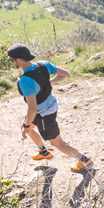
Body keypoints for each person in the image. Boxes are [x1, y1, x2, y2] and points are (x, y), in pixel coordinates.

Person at [8, 43, 93, 173]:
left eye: (11, 60)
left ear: (19, 60)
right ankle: (43, 151)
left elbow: (32, 108)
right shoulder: (43, 64)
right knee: (29, 129)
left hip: (44, 113)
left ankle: (85, 160)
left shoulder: (25, 80)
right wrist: (48, 82)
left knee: (57, 143)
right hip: (49, 105)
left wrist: (26, 125)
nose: (11, 62)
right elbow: (65, 74)